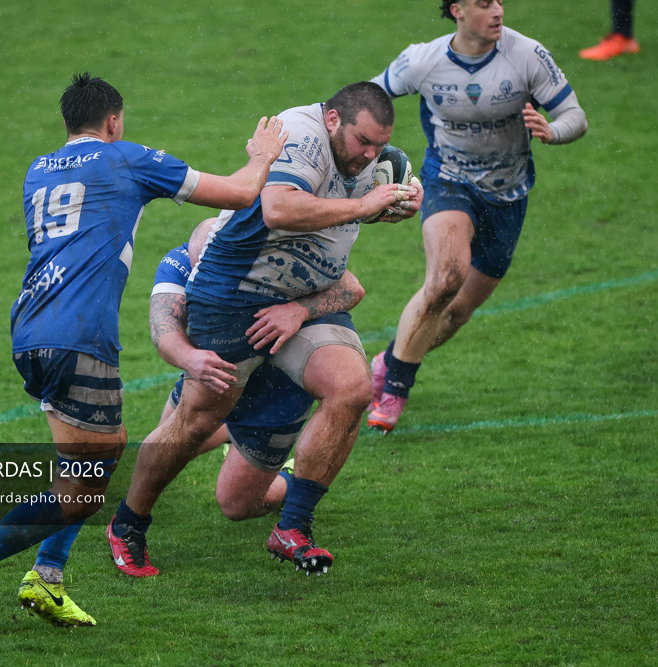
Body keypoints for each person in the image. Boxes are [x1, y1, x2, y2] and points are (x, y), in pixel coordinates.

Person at [0, 72, 287, 634]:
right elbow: (237, 194)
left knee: (96, 458)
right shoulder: (125, 158)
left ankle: (47, 576)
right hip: (80, 336)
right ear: (113, 121)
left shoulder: (38, 169)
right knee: (86, 489)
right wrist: (263, 157)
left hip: (31, 327)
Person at [106, 81, 423, 576]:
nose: (370, 155)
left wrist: (404, 200)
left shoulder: (371, 157)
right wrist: (365, 207)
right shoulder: (300, 131)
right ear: (333, 120)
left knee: (352, 388)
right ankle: (128, 523)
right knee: (194, 423)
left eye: (379, 145)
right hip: (235, 298)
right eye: (364, 141)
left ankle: (293, 527)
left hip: (303, 301)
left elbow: (385, 197)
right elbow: (278, 208)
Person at [366, 0, 588, 433]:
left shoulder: (527, 55)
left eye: (499, 1)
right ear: (458, 10)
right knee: (446, 279)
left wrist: (553, 131)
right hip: (448, 181)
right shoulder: (424, 61)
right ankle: (394, 390)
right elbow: (367, 98)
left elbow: (575, 116)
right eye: (485, 4)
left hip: (509, 196)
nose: (498, 11)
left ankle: (389, 360)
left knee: (455, 312)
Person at [124, 218, 365, 574]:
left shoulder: (276, 261)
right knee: (167, 449)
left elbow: (352, 287)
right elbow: (164, 329)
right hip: (218, 373)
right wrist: (190, 358)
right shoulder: (180, 263)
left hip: (277, 391)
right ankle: (127, 524)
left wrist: (298, 310)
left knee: (238, 505)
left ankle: (294, 476)